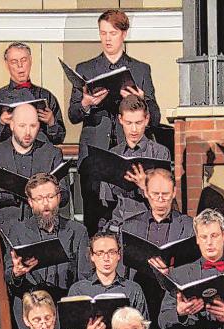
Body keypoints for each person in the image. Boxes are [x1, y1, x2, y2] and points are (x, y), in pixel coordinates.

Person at [68, 9, 160, 235]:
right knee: (94, 218)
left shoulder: (140, 69)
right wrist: (86, 103)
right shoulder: (85, 69)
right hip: (94, 155)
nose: (107, 39)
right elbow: (73, 115)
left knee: (131, 214)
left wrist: (142, 99)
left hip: (128, 153)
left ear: (124, 34)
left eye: (113, 33)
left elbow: (155, 118)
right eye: (103, 33)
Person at [3, 173, 90, 329]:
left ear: (58, 198)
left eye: (50, 197)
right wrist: (17, 273)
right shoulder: (18, 231)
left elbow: (84, 278)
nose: (45, 204)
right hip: (30, 313)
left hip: (64, 312)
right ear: (30, 202)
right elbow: (8, 275)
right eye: (39, 199)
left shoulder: (78, 231)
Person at [116, 169, 196, 329]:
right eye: (155, 194)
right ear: (146, 192)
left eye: (165, 194)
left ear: (174, 192)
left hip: (173, 302)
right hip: (140, 297)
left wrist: (170, 275)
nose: (160, 199)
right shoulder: (130, 226)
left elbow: (195, 269)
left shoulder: (189, 226)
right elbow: (122, 271)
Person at [0, 104, 69, 234]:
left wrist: (46, 193)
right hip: (5, 230)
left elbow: (64, 195)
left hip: (43, 229)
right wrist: (13, 195)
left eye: (33, 126)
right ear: (12, 125)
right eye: (22, 126)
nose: (28, 132)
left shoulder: (52, 153)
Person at [69, 232, 150, 329]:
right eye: (100, 253)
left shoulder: (133, 289)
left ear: (119, 255)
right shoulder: (78, 290)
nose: (106, 258)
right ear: (92, 256)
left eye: (111, 252)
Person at [98, 95, 171, 225]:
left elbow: (166, 198)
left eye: (138, 123)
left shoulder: (159, 153)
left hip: (150, 223)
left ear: (146, 120)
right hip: (119, 223)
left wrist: (145, 186)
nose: (133, 129)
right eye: (128, 123)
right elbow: (106, 200)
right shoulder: (113, 154)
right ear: (120, 120)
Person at [0, 42, 66, 145]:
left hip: (41, 152)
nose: (20, 65)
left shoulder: (46, 96)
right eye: (14, 62)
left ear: (30, 61)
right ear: (7, 64)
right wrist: (1, 123)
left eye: (24, 60)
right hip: (9, 153)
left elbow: (59, 139)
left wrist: (51, 123)